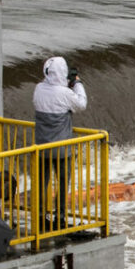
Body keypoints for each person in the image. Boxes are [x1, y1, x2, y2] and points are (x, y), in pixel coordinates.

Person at [32, 56, 87, 231]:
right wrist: (77, 84)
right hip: (61, 149)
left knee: (42, 183)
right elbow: (81, 105)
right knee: (62, 183)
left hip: (41, 147)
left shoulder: (38, 89)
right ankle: (60, 216)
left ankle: (40, 216)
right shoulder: (65, 94)